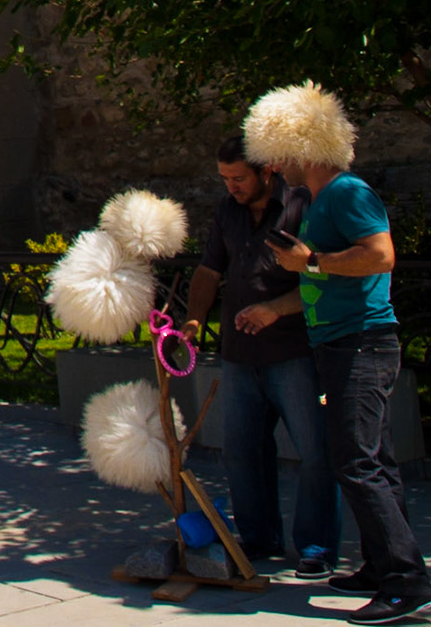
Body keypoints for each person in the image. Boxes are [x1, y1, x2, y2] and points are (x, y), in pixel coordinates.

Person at [243, 82, 431, 625]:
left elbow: (380, 256)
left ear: (304, 146)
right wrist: (293, 285)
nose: (274, 166)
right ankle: (382, 568)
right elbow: (321, 269)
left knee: (355, 462)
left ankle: (407, 583)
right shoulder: (322, 200)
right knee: (373, 460)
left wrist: (310, 263)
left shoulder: (347, 192)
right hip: (342, 344)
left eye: (278, 153)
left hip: (362, 345)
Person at [182, 135, 339, 579]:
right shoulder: (227, 211)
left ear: (266, 171)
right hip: (239, 352)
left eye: (239, 178)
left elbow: (322, 274)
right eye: (224, 179)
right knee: (242, 451)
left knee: (314, 452)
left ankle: (316, 547)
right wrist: (195, 320)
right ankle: (257, 536)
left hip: (295, 351)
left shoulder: (304, 206)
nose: (231, 186)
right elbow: (209, 269)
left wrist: (275, 310)